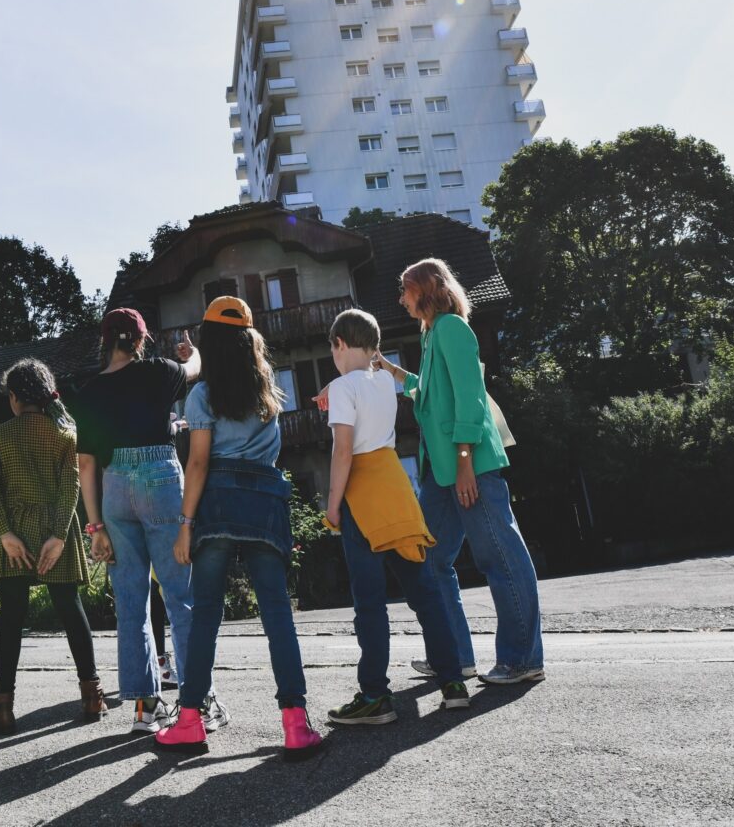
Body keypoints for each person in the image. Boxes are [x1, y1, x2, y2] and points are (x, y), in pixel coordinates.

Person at [155, 297, 322, 759]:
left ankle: (190, 719)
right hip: (265, 499)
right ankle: (295, 722)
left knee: (206, 613)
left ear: (208, 341)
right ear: (251, 340)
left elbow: (199, 460)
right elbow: (271, 452)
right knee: (277, 613)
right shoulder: (268, 387)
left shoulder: (202, 395)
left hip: (219, 501)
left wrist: (186, 525)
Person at [377, 257, 544, 685]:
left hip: (470, 465)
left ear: (427, 288)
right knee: (430, 562)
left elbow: (470, 396)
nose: (401, 299)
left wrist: (467, 462)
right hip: (441, 471)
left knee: (500, 558)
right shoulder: (432, 334)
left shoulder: (452, 327)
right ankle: (454, 657)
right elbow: (431, 391)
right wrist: (394, 371)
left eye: (406, 290)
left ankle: (522, 660)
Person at [319, 310, 471, 724]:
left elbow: (343, 451)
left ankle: (374, 695)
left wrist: (333, 505)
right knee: (424, 593)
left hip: (362, 495)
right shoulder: (385, 380)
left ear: (339, 345)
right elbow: (366, 385)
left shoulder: (340, 385)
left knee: (369, 602)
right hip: (397, 487)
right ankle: (453, 681)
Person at [75, 307, 220, 734]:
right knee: (180, 595)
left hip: (114, 485)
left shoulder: (88, 392)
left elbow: (85, 466)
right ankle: (198, 701)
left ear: (105, 342)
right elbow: (196, 367)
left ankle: (144, 707)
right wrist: (192, 353)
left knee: (131, 603)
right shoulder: (160, 371)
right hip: (159, 476)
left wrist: (96, 525)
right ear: (140, 340)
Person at [0, 358, 106, 733]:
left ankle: (2, 709)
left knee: (11, 618)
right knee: (70, 607)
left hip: (14, 531)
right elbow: (72, 486)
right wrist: (60, 535)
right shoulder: (66, 432)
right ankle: (92, 696)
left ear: (14, 397)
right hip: (55, 529)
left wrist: (4, 532)